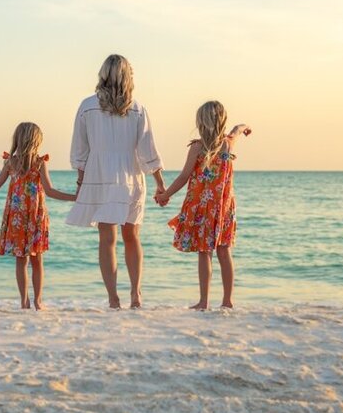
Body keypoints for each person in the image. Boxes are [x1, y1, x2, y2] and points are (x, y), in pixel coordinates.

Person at [66, 54, 165, 309]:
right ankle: (136, 293)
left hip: (99, 176)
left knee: (106, 239)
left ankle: (113, 298)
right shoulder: (137, 108)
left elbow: (80, 148)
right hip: (131, 176)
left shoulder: (87, 106)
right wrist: (160, 183)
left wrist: (81, 180)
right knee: (132, 236)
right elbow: (147, 150)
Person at [0, 122, 75, 310]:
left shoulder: (11, 163)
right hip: (35, 217)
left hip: (16, 218)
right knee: (37, 260)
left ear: (18, 139)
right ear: (35, 141)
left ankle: (24, 302)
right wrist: (75, 197)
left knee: (21, 260)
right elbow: (50, 191)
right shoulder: (39, 163)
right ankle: (38, 301)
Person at [156, 101, 251, 310]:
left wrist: (165, 195)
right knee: (224, 251)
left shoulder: (198, 147)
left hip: (202, 207)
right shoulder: (228, 144)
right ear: (221, 121)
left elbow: (183, 177)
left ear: (201, 123)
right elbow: (236, 130)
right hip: (225, 208)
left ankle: (204, 301)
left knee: (204, 252)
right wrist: (243, 128)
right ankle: (227, 301)